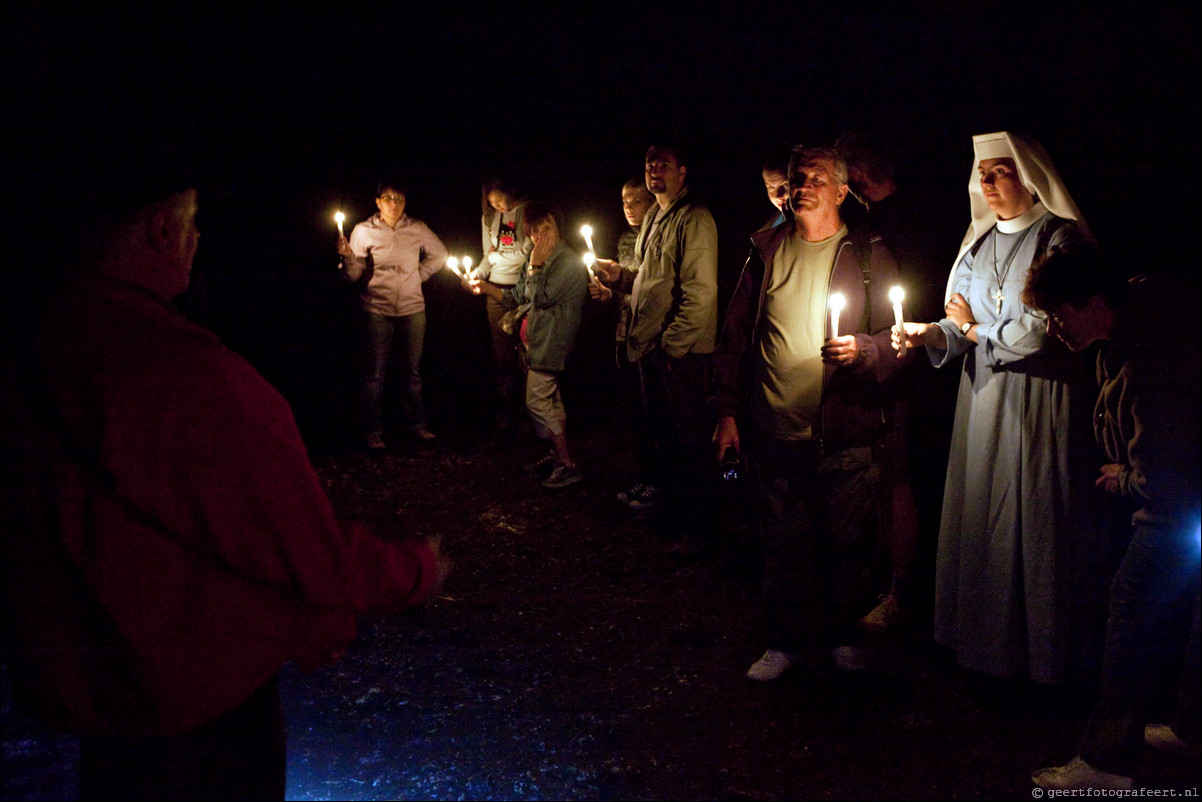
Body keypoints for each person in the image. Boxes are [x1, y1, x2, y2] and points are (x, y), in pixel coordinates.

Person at [1, 154, 448, 800]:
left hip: (101, 696)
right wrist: (414, 571)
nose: (199, 238)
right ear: (160, 230)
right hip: (190, 704)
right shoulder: (184, 377)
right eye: (192, 222)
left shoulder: (41, 341)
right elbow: (296, 542)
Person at [893, 131, 1107, 685]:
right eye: (981, 172)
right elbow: (958, 322)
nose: (986, 183)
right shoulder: (978, 242)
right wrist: (929, 334)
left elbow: (1043, 333)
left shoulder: (1060, 241)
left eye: (1000, 171)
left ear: (1028, 175)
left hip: (1039, 402)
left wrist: (970, 326)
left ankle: (1042, 659)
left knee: (1034, 517)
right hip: (985, 402)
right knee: (984, 514)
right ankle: (985, 650)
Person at [711, 145, 902, 681]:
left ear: (842, 191)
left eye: (816, 178)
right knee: (782, 541)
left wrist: (864, 350)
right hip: (774, 429)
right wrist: (726, 411)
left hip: (842, 429)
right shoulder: (765, 249)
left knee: (845, 541)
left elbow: (899, 338)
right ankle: (784, 642)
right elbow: (734, 337)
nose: (802, 187)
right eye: (797, 178)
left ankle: (842, 636)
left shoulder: (867, 254)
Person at [1021, 251, 1201, 791]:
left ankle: (1105, 762)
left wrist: (1124, 477)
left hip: (1181, 508)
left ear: (1095, 304)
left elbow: (1166, 474)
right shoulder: (1124, 336)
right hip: (1186, 502)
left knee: (1133, 613)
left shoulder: (1151, 356)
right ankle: (1193, 726)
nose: (1054, 328)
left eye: (1059, 315)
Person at [836, 130, 959, 633]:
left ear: (858, 175)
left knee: (905, 480)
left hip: (916, 368)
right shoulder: (910, 217)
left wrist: (883, 346)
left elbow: (922, 300)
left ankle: (907, 591)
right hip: (918, 361)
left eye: (845, 176)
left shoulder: (894, 227)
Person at [594, 142, 719, 558]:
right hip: (653, 349)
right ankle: (672, 517)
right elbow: (652, 281)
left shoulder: (694, 219)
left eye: (663, 164)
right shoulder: (657, 218)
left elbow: (699, 294)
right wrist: (621, 277)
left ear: (683, 171)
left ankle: (700, 531)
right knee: (664, 441)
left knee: (690, 444)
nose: (654, 171)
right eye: (650, 165)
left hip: (679, 355)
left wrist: (671, 348)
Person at [466, 202, 588, 489]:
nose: (539, 235)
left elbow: (542, 297)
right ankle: (557, 457)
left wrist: (534, 267)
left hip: (550, 346)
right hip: (532, 346)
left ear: (559, 228)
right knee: (552, 403)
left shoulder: (567, 262)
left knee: (536, 402)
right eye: (533, 230)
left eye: (546, 228)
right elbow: (517, 296)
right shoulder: (537, 260)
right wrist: (482, 285)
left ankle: (567, 464)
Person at [337, 179, 448, 449]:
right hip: (377, 307)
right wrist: (346, 260)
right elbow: (353, 274)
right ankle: (371, 431)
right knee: (375, 373)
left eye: (399, 199)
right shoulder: (364, 230)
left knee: (411, 372)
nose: (394, 204)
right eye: (388, 198)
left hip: (412, 309)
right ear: (377, 202)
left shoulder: (417, 228)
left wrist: (417, 276)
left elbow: (440, 255)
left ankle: (416, 426)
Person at [589, 178, 658, 508]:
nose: (629, 208)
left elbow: (647, 288)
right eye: (625, 202)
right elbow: (624, 287)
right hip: (625, 330)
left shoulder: (659, 238)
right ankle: (643, 476)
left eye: (637, 202)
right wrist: (607, 293)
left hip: (648, 334)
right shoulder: (626, 237)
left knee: (652, 413)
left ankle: (656, 483)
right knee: (633, 409)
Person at [475, 179, 534, 436]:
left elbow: (525, 252)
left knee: (528, 358)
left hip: (523, 292)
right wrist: (476, 273)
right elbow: (486, 257)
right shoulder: (489, 219)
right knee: (502, 359)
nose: (497, 206)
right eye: (491, 202)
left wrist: (495, 257)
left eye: (499, 200)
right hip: (495, 292)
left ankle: (528, 417)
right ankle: (504, 416)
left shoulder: (529, 212)